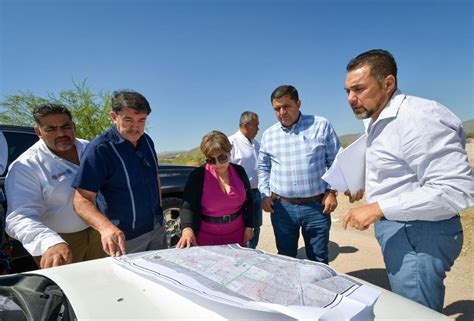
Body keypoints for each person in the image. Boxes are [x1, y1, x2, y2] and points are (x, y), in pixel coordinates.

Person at [342, 49, 474, 311]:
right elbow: (402, 170)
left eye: (358, 89)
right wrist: (364, 184)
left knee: (414, 311)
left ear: (388, 83)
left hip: (418, 233)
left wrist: (378, 208)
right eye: (347, 91)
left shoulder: (417, 118)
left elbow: (456, 190)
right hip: (404, 229)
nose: (350, 99)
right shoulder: (378, 120)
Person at [5, 103, 104, 269]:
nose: (61, 133)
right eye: (51, 129)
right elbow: (20, 216)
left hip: (99, 232)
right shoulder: (26, 166)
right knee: (70, 290)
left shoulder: (90, 148)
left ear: (74, 126)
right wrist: (50, 242)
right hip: (61, 242)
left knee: (104, 280)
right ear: (38, 132)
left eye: (66, 126)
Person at [73, 90, 165, 257]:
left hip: (157, 229)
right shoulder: (100, 150)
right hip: (125, 239)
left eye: (141, 121)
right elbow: (82, 200)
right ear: (114, 117)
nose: (135, 127)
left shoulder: (147, 141)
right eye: (128, 120)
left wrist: (160, 214)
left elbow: (155, 177)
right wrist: (106, 228)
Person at [258, 85, 340, 264]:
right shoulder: (269, 135)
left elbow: (336, 161)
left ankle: (320, 292)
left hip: (316, 207)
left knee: (318, 259)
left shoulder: (320, 125)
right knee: (286, 259)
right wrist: (264, 194)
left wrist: (332, 191)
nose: (282, 112)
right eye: (277, 109)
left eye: (286, 106)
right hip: (282, 209)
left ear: (298, 103)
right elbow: (263, 167)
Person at [176, 131, 254, 248]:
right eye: (211, 160)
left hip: (238, 235)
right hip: (206, 238)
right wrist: (187, 229)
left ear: (229, 153)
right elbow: (188, 207)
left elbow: (250, 201)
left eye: (222, 158)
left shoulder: (239, 171)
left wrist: (249, 226)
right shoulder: (198, 176)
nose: (217, 164)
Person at [228, 111, 262, 249]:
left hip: (256, 193)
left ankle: (252, 254)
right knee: (242, 228)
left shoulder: (257, 144)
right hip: (240, 195)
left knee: (255, 228)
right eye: (256, 125)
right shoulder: (231, 142)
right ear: (247, 126)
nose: (259, 128)